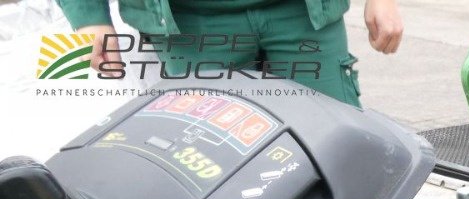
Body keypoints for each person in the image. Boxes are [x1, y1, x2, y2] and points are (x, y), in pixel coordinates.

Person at [56, 0, 403, 105]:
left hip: (302, 15)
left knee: (337, 143)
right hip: (189, 24)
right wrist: (90, 19)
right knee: (210, 157)